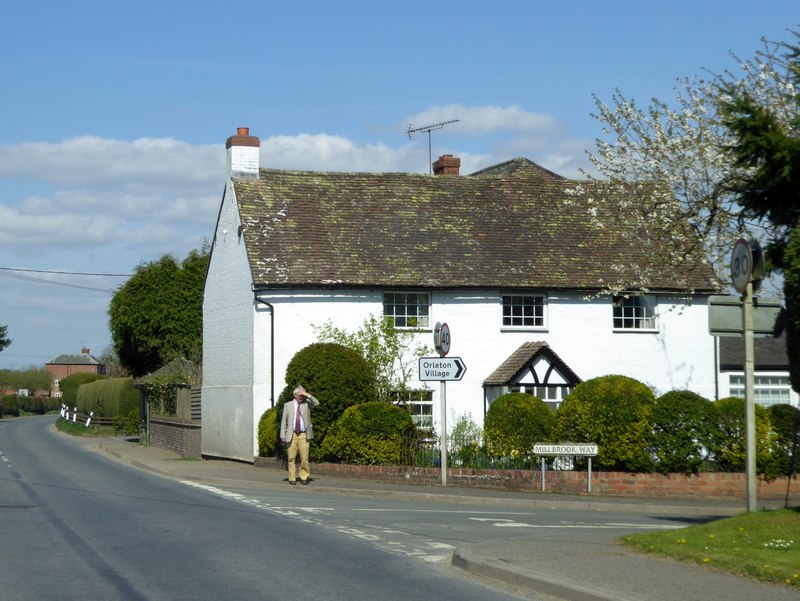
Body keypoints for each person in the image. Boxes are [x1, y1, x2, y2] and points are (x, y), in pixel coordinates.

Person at [280, 386, 319, 485]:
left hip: (303, 435)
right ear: (295, 395)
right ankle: (292, 478)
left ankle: (304, 476)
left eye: (303, 395)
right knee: (291, 458)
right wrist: (282, 435)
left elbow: (316, 403)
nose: (302, 397)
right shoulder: (287, 405)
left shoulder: (307, 404)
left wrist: (307, 395)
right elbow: (284, 420)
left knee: (304, 458)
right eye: (300, 395)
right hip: (291, 435)